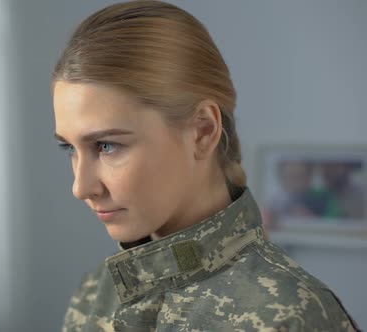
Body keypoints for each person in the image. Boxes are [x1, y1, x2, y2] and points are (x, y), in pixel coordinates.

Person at [51, 1, 360, 331]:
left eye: (107, 146)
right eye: (69, 147)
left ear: (203, 131)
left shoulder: (288, 314)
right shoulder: (95, 292)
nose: (81, 188)